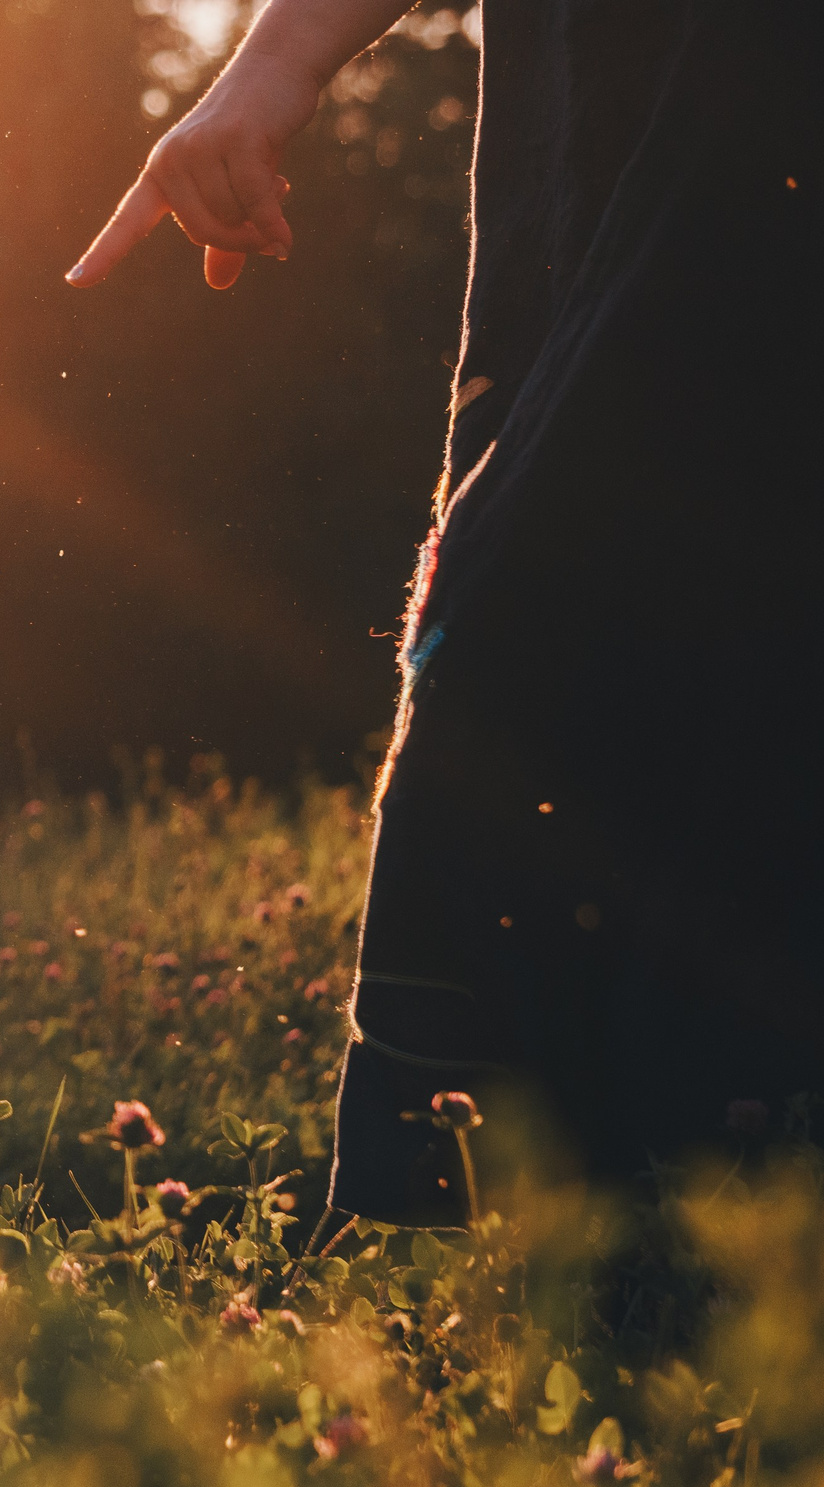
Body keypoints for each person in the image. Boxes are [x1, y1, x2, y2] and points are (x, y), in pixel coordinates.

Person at [71, 0, 822, 1224]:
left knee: (562, 619)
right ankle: (597, 1235)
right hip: (601, 159)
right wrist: (273, 64)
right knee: (567, 655)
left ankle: (610, 1224)